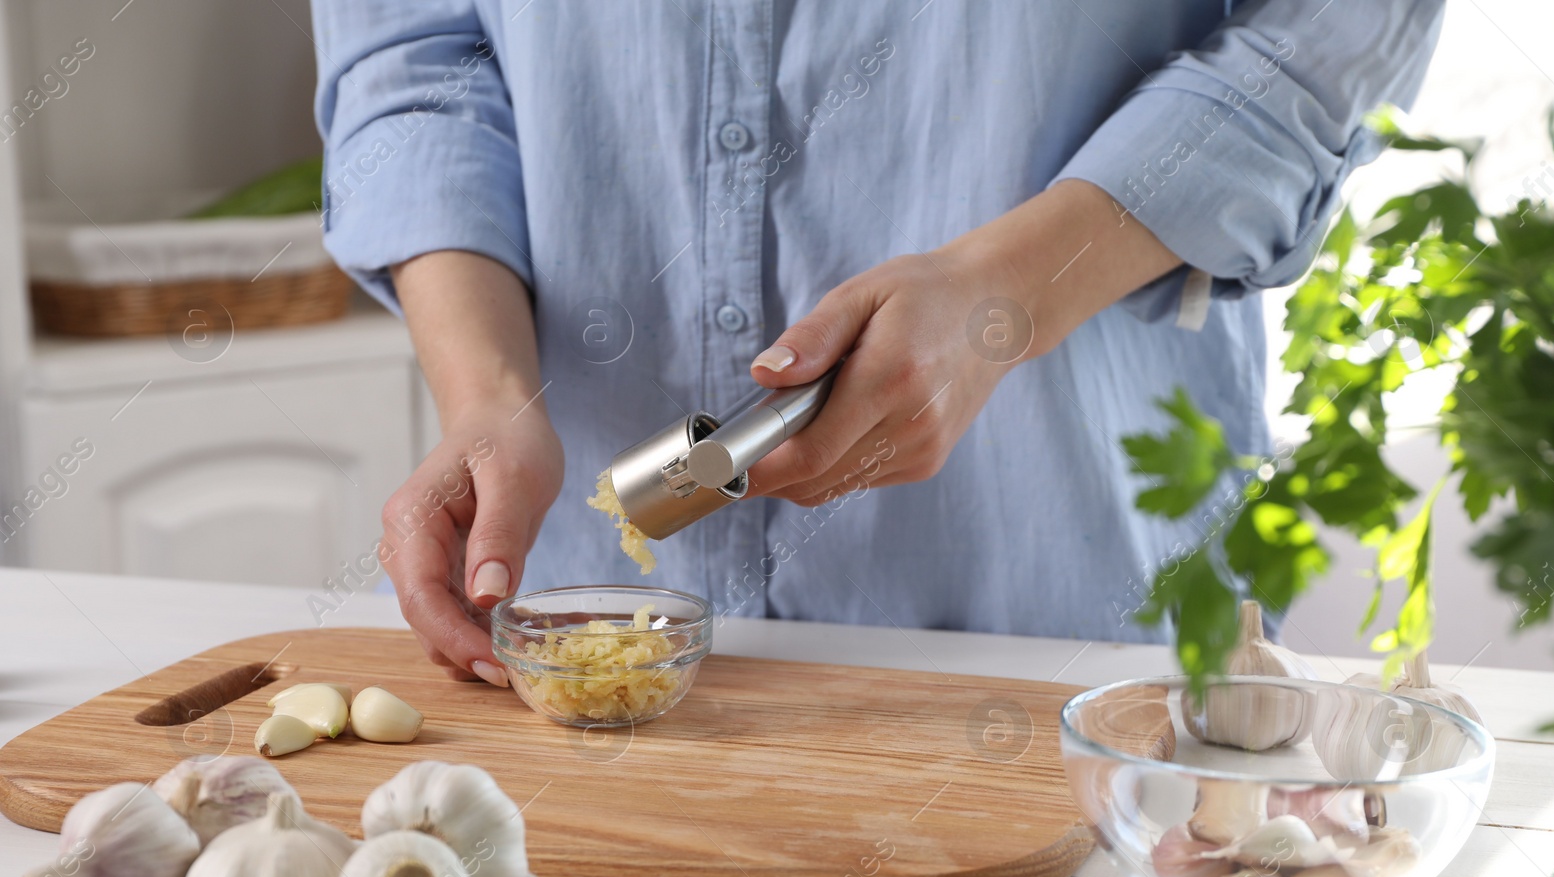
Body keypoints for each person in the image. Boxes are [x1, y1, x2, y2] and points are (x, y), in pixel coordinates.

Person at [311, 1, 1443, 685]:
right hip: (594, 635)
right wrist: (484, 393)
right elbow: (414, 57)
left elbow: (1323, 36)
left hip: (1074, 637)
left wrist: (1010, 290)